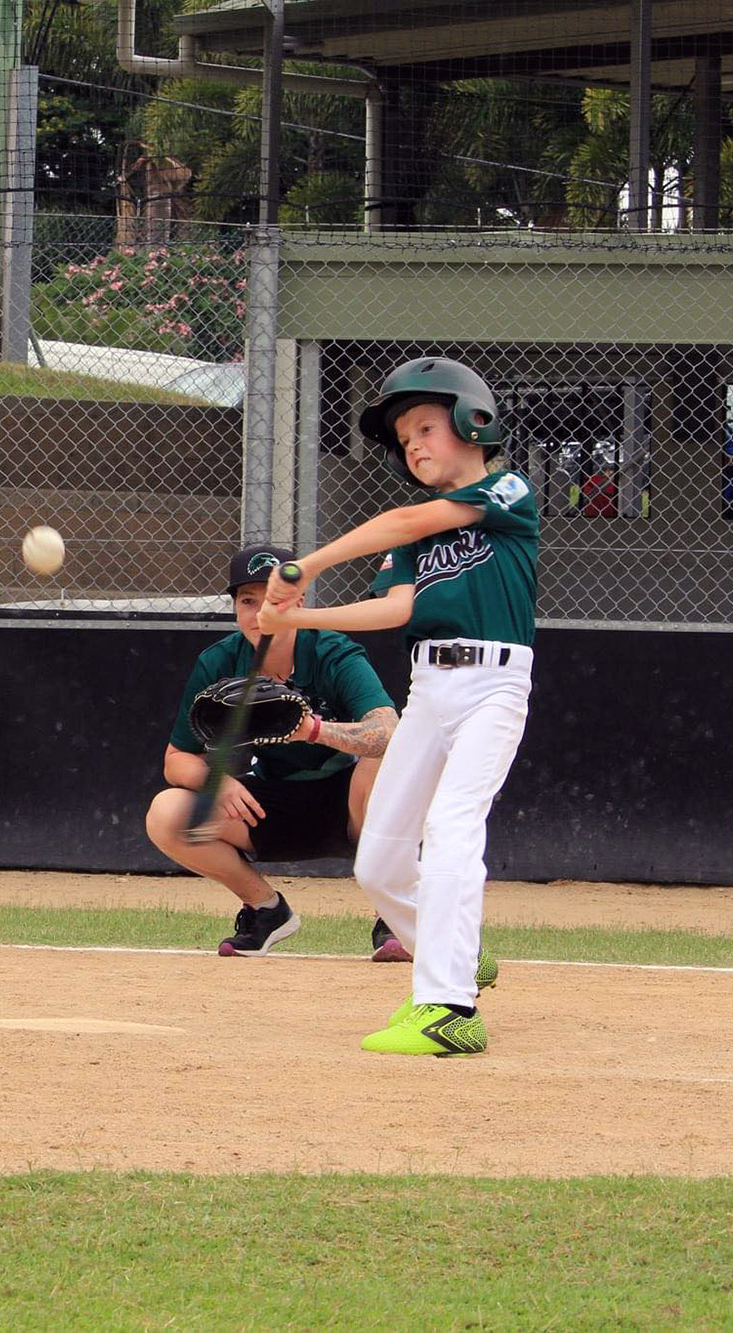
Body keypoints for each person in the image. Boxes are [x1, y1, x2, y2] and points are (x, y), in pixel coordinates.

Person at [257, 357, 533, 1058]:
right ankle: (459, 954)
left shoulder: (507, 488)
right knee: (377, 860)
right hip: (429, 691)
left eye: (425, 427)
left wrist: (304, 568)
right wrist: (300, 619)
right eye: (404, 437)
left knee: (450, 826)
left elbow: (405, 518)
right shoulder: (419, 538)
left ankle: (449, 1008)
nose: (412, 445)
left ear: (474, 420)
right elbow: (396, 607)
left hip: (492, 685)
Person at [144, 542, 402, 960]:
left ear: (299, 602)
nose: (260, 612)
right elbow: (177, 759)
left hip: (349, 802)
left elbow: (388, 731)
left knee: (386, 758)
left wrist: (313, 731)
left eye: (274, 599)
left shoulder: (331, 652)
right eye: (248, 601)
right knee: (166, 813)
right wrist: (218, 782)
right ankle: (266, 910)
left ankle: (394, 915)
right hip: (268, 804)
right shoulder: (221, 661)